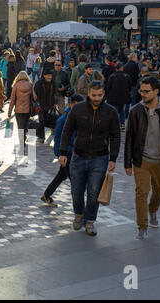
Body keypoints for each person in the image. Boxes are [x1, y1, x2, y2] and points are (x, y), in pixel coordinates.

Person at [59, 81, 120, 236]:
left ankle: (90, 221)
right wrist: (63, 152)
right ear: (88, 94)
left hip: (100, 158)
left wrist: (113, 158)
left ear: (104, 94)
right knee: (76, 191)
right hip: (78, 156)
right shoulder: (78, 109)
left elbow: (115, 136)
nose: (97, 98)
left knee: (94, 192)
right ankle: (79, 214)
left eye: (99, 95)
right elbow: (67, 130)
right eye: (94, 95)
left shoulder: (111, 112)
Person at [125, 76, 160, 240]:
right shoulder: (135, 111)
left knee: (159, 191)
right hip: (141, 160)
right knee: (141, 193)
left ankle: (153, 210)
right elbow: (129, 138)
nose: (142, 94)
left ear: (156, 91)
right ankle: (142, 227)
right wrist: (127, 163)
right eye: (141, 91)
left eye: (146, 91)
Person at [41, 94, 84, 206]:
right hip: (67, 156)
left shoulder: (80, 117)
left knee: (61, 176)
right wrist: (64, 153)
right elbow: (58, 141)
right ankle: (79, 208)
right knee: (76, 182)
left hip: (74, 155)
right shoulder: (63, 120)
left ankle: (46, 195)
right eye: (77, 105)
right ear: (71, 104)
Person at [8, 71, 33, 154]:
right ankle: (24, 139)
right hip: (27, 109)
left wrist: (9, 112)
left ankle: (21, 143)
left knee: (20, 127)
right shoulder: (30, 85)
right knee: (25, 126)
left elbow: (12, 100)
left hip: (18, 110)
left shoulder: (15, 86)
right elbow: (34, 97)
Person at [106, 63, 132, 130]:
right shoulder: (127, 76)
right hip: (123, 97)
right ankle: (122, 124)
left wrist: (107, 95)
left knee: (115, 111)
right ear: (122, 68)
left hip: (113, 97)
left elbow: (108, 87)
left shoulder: (112, 76)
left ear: (116, 68)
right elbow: (129, 87)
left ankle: (115, 125)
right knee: (121, 111)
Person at [34, 69, 56, 143]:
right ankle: (42, 136)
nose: (50, 77)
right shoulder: (39, 83)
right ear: (44, 76)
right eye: (48, 75)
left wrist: (54, 103)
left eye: (51, 75)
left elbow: (54, 94)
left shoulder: (53, 83)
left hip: (49, 105)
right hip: (41, 105)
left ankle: (51, 131)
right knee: (41, 121)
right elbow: (35, 95)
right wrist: (37, 104)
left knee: (48, 119)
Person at [124, 53, 140, 119]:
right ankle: (133, 115)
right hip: (133, 84)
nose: (137, 58)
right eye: (136, 57)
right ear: (133, 57)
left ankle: (126, 114)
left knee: (127, 101)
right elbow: (137, 76)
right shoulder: (135, 65)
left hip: (126, 85)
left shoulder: (125, 65)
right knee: (133, 100)